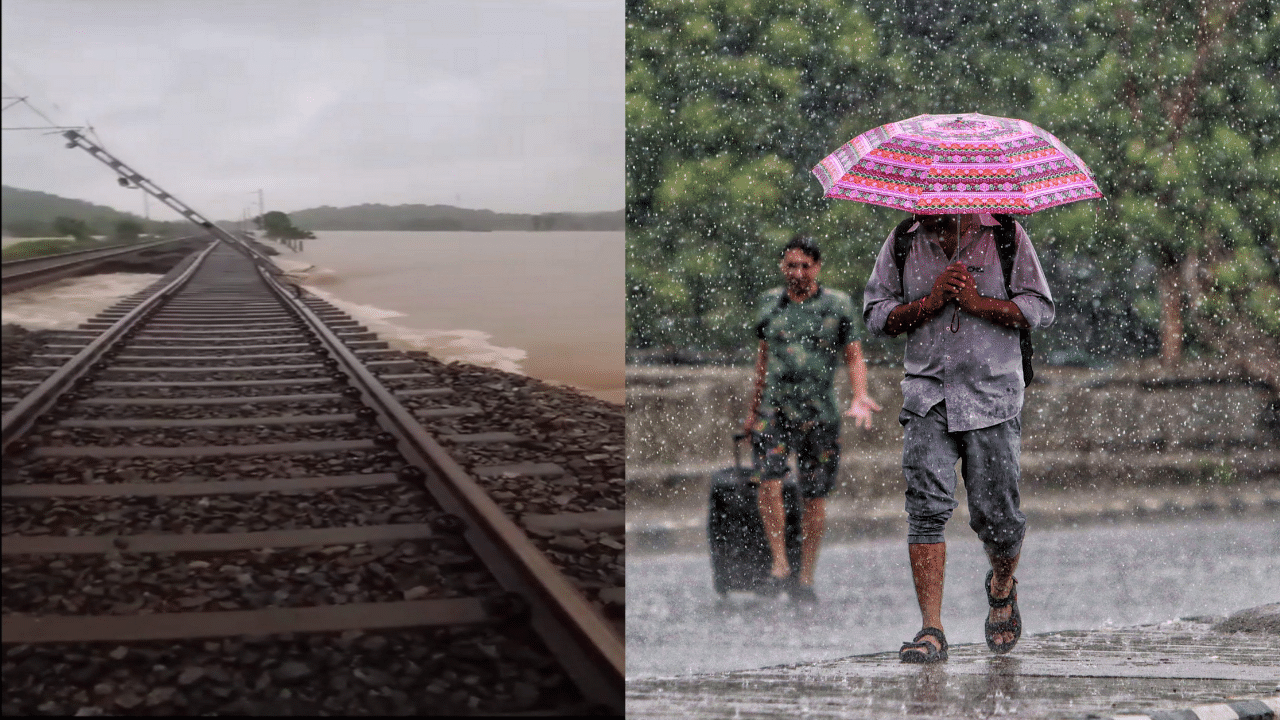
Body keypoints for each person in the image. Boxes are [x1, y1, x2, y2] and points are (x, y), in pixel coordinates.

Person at [863, 213, 1054, 662]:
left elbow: (1039, 308)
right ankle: (931, 628)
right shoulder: (902, 240)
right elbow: (876, 315)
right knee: (925, 510)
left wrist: (977, 302)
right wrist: (927, 305)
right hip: (927, 396)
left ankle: (1001, 586)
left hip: (993, 396)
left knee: (999, 519)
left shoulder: (1006, 234)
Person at [744, 235, 882, 604]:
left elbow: (853, 355)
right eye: (792, 265)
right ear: (781, 266)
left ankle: (805, 574)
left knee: (815, 495)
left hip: (819, 415)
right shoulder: (769, 304)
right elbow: (763, 358)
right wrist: (752, 411)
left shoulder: (837, 305)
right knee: (768, 482)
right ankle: (779, 565)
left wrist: (859, 394)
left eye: (806, 266)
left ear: (818, 268)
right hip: (774, 410)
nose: (799, 273)